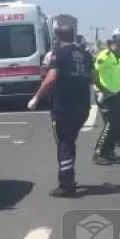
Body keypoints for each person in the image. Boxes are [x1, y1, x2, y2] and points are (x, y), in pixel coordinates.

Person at [28, 26, 94, 197]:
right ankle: (69, 177)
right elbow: (92, 78)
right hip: (83, 106)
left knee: (64, 143)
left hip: (65, 106)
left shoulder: (59, 53)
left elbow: (51, 77)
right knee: (70, 141)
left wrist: (37, 97)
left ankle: (66, 184)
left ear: (57, 37)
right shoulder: (86, 54)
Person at [91, 38, 120, 165]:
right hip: (105, 96)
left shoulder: (117, 57)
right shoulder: (105, 55)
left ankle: (109, 152)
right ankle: (98, 153)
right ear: (113, 44)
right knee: (109, 125)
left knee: (115, 126)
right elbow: (94, 73)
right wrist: (102, 89)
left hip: (114, 95)